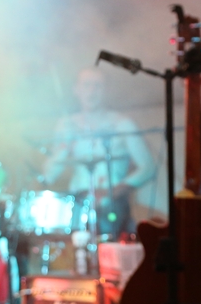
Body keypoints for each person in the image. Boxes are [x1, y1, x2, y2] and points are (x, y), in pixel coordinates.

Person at [43, 67, 156, 240]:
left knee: (109, 247)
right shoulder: (66, 125)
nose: (92, 91)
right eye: (86, 85)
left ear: (107, 90)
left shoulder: (122, 124)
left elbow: (148, 168)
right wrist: (64, 145)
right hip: (77, 205)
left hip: (113, 206)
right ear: (76, 90)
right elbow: (49, 175)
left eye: (98, 86)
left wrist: (112, 192)